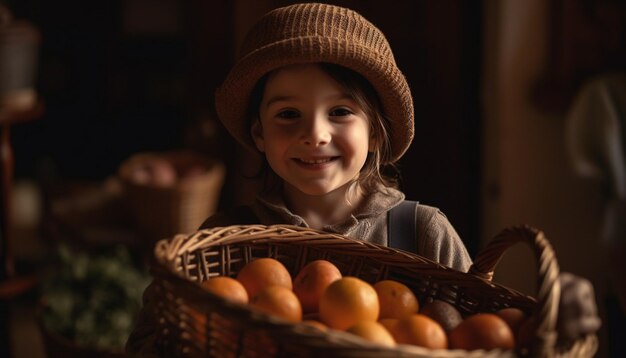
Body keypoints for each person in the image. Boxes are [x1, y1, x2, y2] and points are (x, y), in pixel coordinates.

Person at [126, 3, 599, 355]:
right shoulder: (223, 242)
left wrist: (551, 325)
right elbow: (146, 341)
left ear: (374, 132)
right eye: (288, 114)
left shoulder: (421, 232)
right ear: (259, 135)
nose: (315, 134)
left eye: (339, 112)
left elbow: (487, 338)